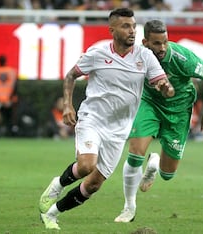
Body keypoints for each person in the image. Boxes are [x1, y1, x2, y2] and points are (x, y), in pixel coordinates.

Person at [38, 8, 174, 230]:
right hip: (93, 119)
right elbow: (71, 75)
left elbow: (162, 83)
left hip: (119, 130)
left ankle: (52, 214)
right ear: (112, 30)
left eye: (133, 26)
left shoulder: (145, 56)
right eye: (125, 26)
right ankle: (57, 185)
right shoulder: (97, 53)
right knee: (86, 166)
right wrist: (68, 105)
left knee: (93, 185)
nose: (131, 31)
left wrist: (165, 87)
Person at [114, 19, 203, 223]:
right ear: (145, 42)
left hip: (178, 112)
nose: (162, 48)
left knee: (167, 174)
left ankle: (154, 163)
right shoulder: (136, 55)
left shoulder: (181, 57)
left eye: (165, 42)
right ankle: (129, 207)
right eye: (156, 44)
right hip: (150, 103)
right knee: (135, 154)